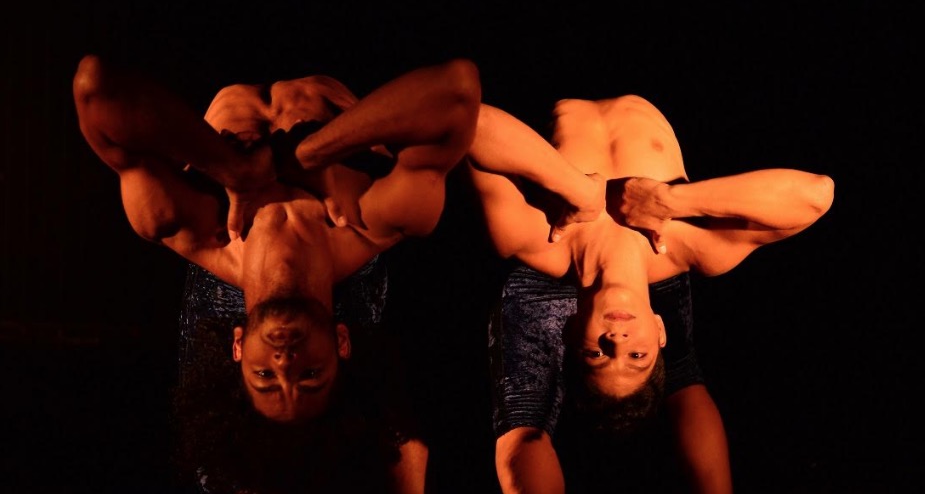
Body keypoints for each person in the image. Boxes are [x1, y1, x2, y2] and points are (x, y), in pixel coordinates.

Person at [72, 53, 481, 493]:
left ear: (238, 346)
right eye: (311, 376)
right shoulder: (375, 219)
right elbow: (457, 88)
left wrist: (238, 171)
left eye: (265, 377)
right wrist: (311, 153)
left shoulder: (185, 226)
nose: (286, 362)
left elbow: (96, 87)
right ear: (342, 343)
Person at [466, 95, 834, 493]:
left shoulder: (528, 237)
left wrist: (573, 186)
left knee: (522, 419)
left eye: (597, 354)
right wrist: (670, 200)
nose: (618, 342)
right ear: (661, 332)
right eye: (637, 356)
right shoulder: (694, 247)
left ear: (570, 333)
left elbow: (472, 119)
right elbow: (816, 195)